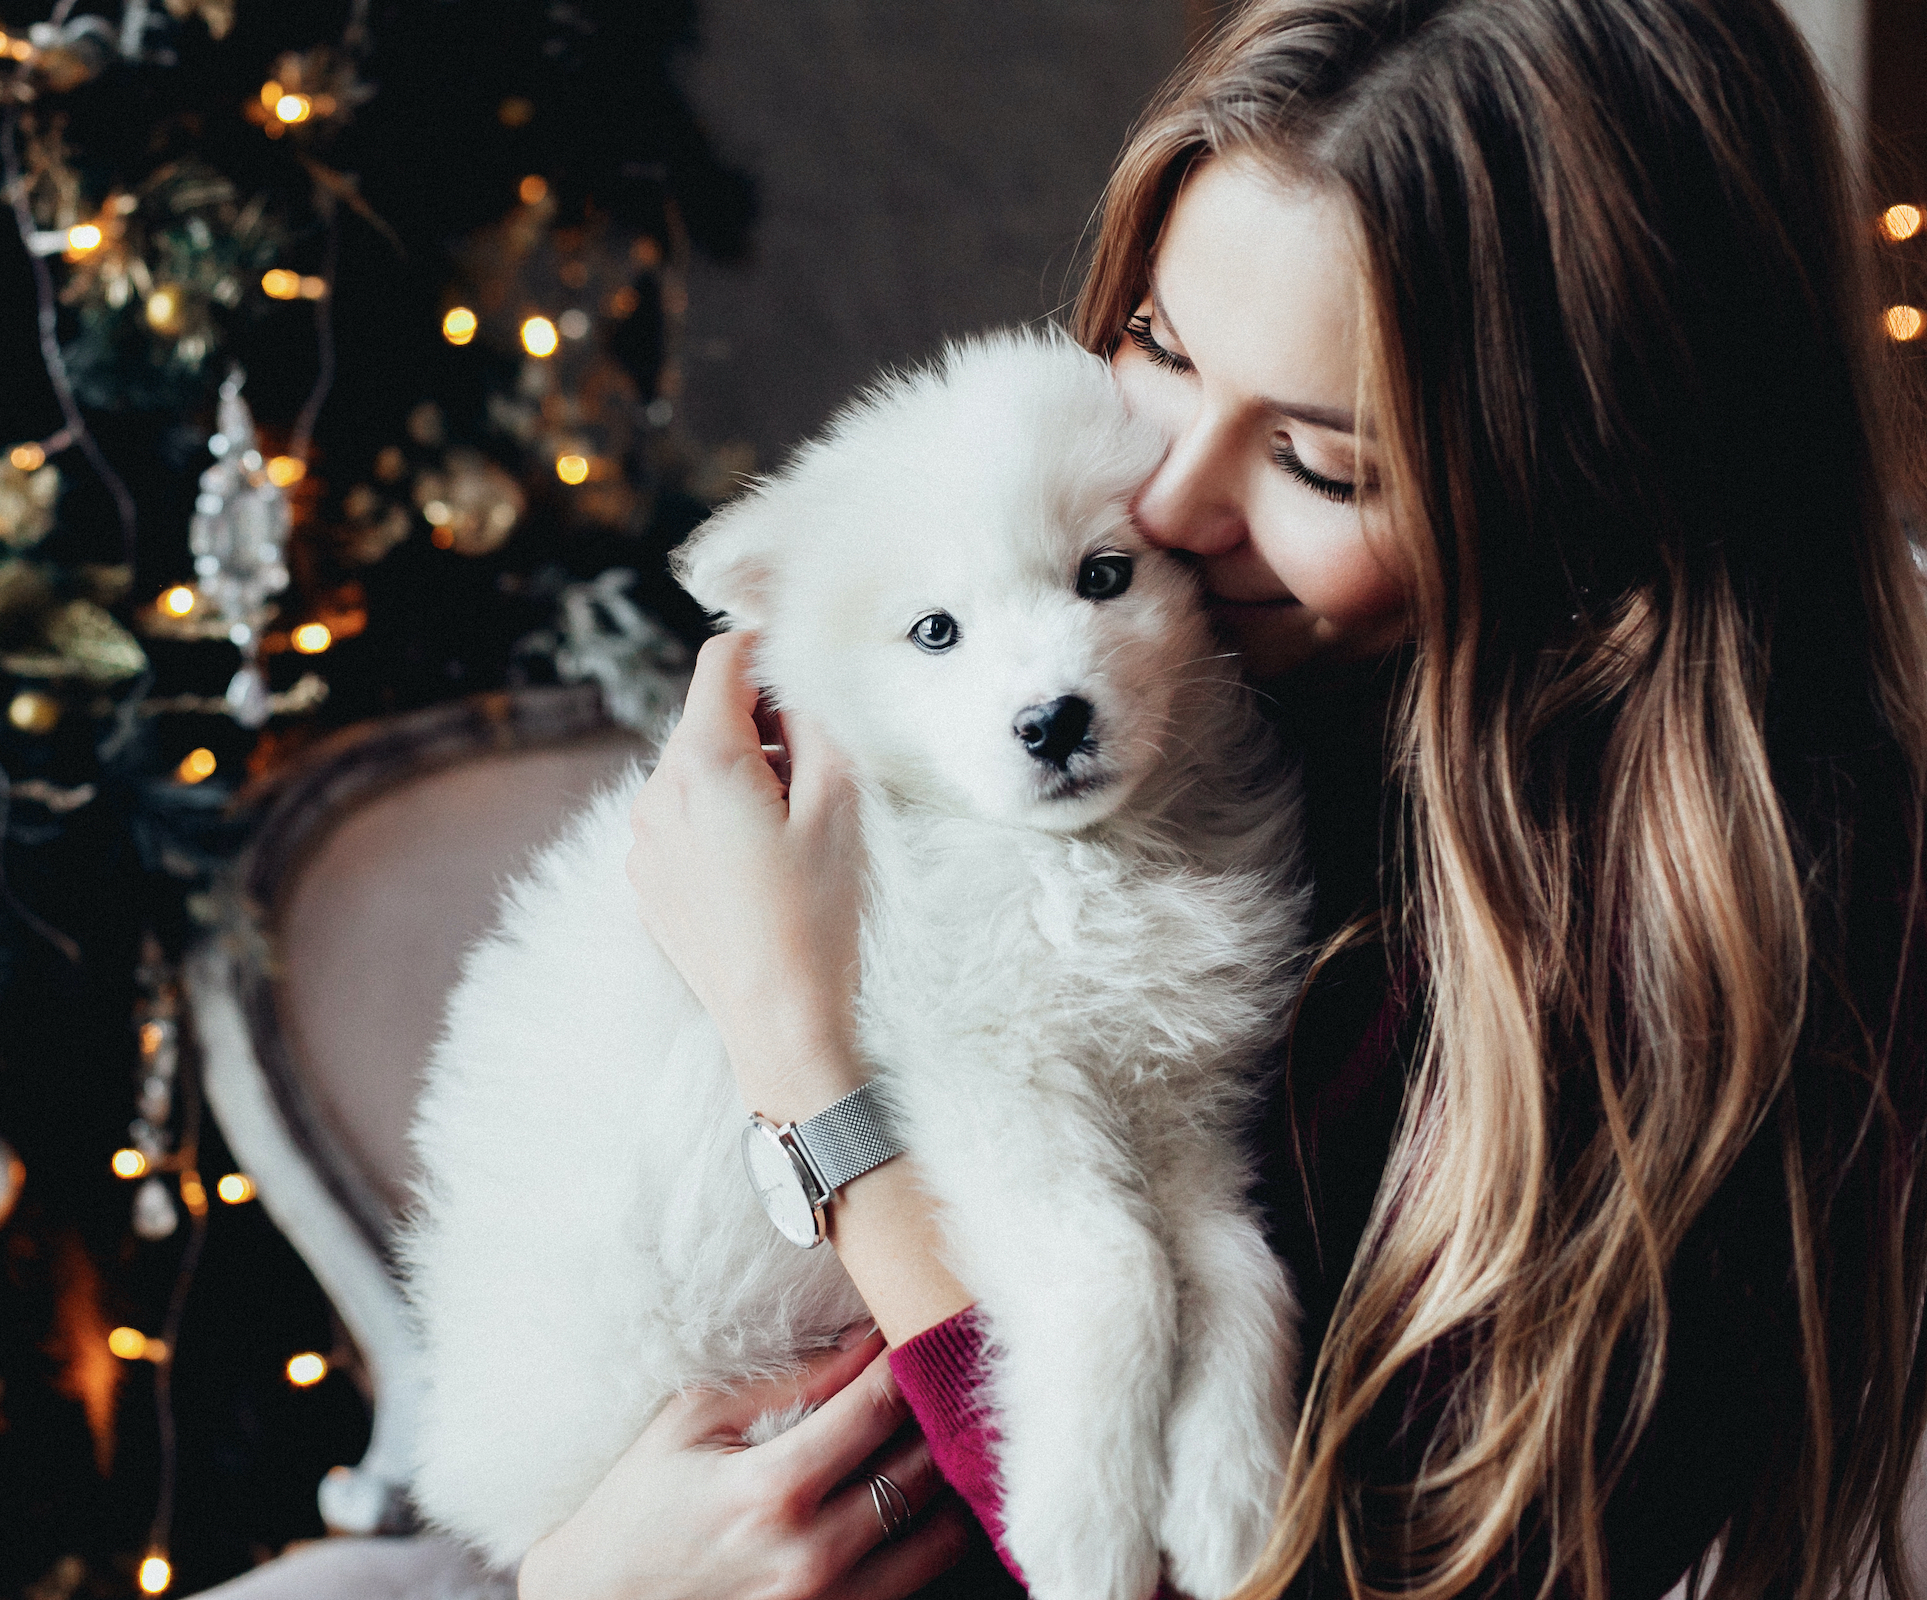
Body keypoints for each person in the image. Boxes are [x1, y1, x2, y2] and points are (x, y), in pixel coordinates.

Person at [515, 0, 1927, 1595]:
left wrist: (799, 1047)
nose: (1171, 499)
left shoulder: (1723, 932)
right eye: (1164, 354)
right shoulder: (1211, 677)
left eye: (1324, 465)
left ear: (1595, 482)